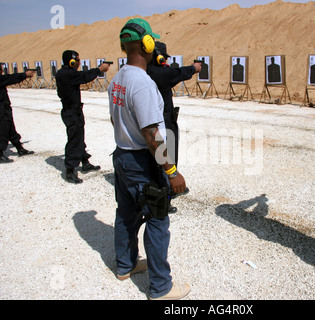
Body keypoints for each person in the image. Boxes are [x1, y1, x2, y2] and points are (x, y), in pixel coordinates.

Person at [109, 17, 190, 300]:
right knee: (157, 219)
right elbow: (151, 134)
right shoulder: (141, 83)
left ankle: (125, 265)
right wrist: (171, 171)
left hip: (121, 157)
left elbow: (114, 119)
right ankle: (160, 287)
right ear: (146, 44)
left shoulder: (117, 79)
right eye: (152, 40)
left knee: (126, 213)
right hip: (142, 161)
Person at [147, 41, 201, 206]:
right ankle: (166, 196)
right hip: (165, 121)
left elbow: (172, 74)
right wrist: (194, 68)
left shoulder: (145, 72)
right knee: (167, 156)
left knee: (157, 156)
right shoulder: (161, 73)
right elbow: (178, 72)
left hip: (154, 120)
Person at [56, 50, 110, 183]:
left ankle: (85, 162)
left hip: (75, 111)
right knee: (74, 140)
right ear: (72, 61)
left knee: (79, 137)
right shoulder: (66, 74)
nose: (79, 63)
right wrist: (99, 70)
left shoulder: (66, 73)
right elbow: (85, 76)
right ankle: (70, 171)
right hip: (71, 112)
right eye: (78, 60)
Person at [0, 58, 35, 163]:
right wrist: (25, 75)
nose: (2, 69)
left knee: (11, 129)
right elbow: (11, 78)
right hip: (1, 108)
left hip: (4, 107)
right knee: (1, 131)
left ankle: (20, 149)